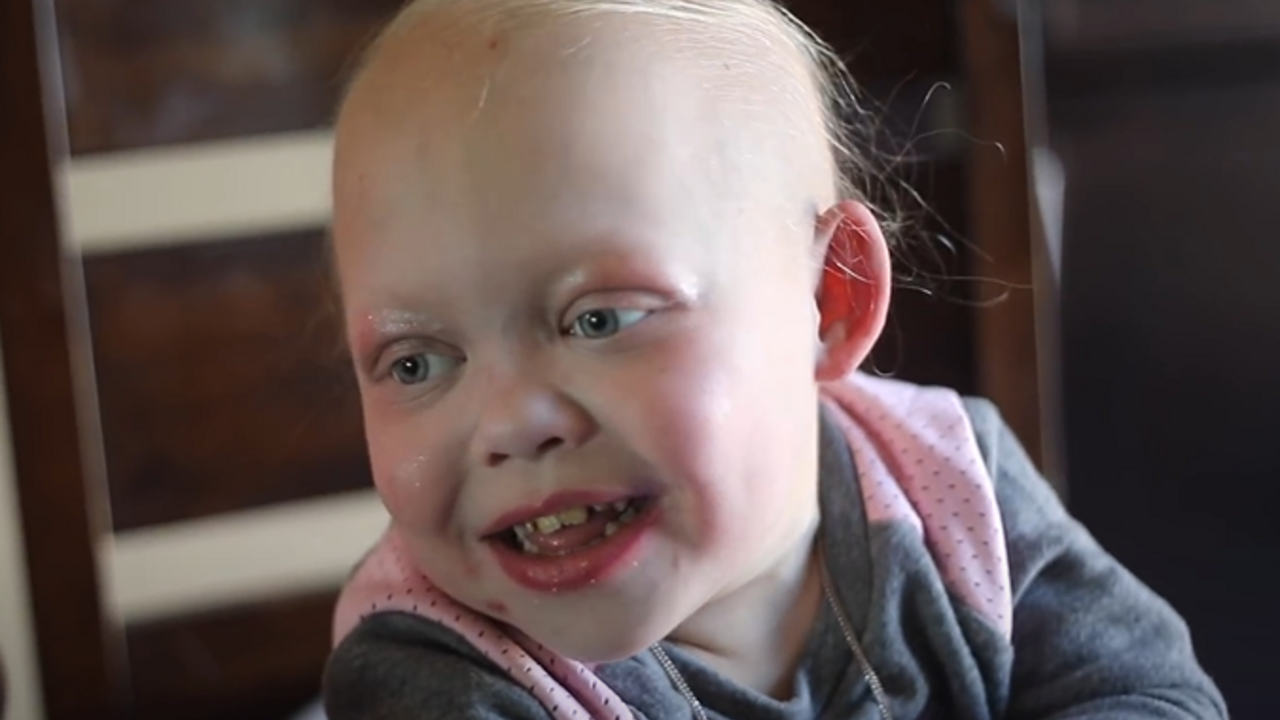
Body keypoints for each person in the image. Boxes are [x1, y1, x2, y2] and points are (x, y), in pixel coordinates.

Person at [321, 1, 1228, 717]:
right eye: (416, 363)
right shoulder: (432, 667)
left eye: (599, 318)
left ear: (829, 299)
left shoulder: (949, 484)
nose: (509, 423)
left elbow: (1152, 694)